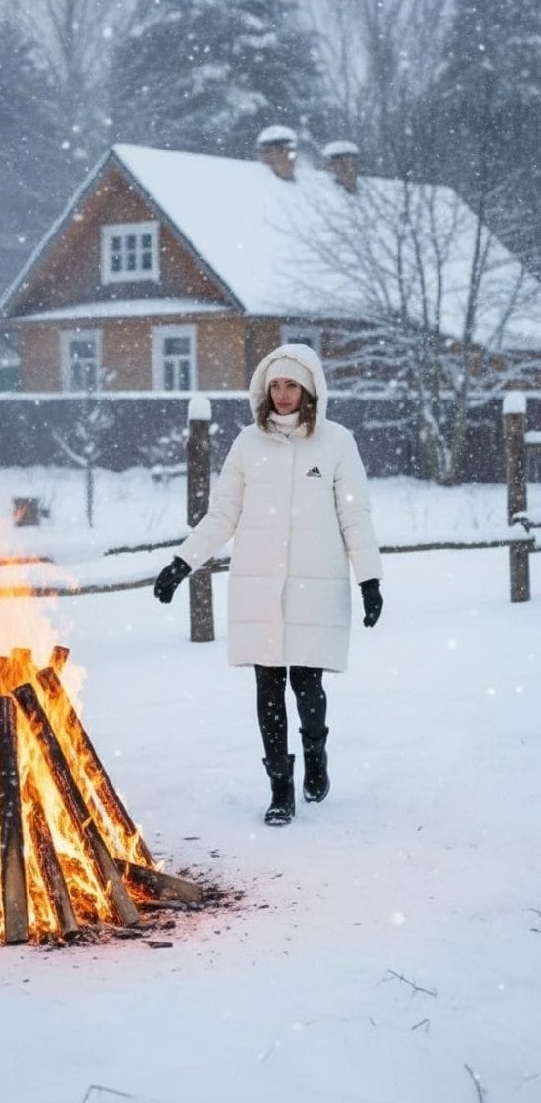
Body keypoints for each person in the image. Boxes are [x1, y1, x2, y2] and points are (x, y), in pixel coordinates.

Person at [153, 343, 383, 826]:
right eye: (275, 385)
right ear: (265, 390)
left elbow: (354, 517)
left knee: (307, 683)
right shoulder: (247, 444)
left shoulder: (337, 443)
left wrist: (369, 580)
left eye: (291, 385)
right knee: (267, 687)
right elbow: (223, 515)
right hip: (259, 586)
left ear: (309, 390)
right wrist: (182, 563)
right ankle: (281, 788)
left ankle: (315, 752)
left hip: (314, 586)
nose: (282, 395)